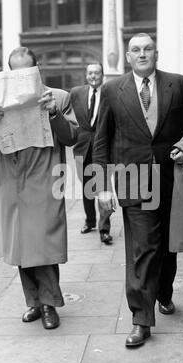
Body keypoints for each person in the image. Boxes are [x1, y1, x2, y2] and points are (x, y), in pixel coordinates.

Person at [93, 33, 183, 347]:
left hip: (173, 180)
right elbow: (101, 141)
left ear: (156, 53)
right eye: (136, 50)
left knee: (169, 247)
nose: (142, 54)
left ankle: (164, 292)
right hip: (133, 180)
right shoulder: (112, 90)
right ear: (128, 57)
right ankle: (141, 320)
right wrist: (102, 188)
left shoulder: (180, 85)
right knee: (143, 248)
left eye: (147, 49)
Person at [0, 47, 78, 330]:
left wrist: (54, 113)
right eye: (15, 71)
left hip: (45, 180)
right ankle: (33, 301)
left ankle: (50, 304)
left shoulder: (58, 97)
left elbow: (72, 137)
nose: (21, 76)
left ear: (38, 68)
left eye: (26, 70)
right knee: (23, 246)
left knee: (42, 245)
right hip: (13, 182)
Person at [70, 63, 113, 244]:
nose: (93, 76)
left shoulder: (110, 94)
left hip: (103, 149)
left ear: (103, 75)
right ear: (86, 75)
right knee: (87, 188)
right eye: (90, 73)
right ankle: (90, 221)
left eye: (97, 73)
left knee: (103, 188)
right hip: (82, 148)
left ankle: (104, 229)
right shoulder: (76, 93)